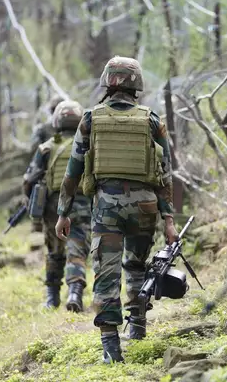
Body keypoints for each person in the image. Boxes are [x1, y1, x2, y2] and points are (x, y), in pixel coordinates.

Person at [54, 56, 178, 364]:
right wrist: (169, 220)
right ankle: (137, 326)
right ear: (137, 85)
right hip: (145, 208)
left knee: (106, 274)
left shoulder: (90, 119)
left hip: (107, 209)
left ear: (107, 83)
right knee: (137, 267)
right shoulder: (152, 120)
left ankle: (111, 349)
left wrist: (63, 212)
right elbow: (166, 173)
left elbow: (73, 171)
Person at [23, 100, 91, 311]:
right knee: (77, 250)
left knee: (54, 252)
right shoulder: (88, 145)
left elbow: (29, 179)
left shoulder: (46, 148)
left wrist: (30, 201)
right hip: (82, 204)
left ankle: (52, 298)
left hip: (53, 206)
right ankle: (74, 294)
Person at [28, 95, 65, 252]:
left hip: (49, 184)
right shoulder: (80, 131)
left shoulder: (43, 130)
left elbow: (34, 152)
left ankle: (36, 226)